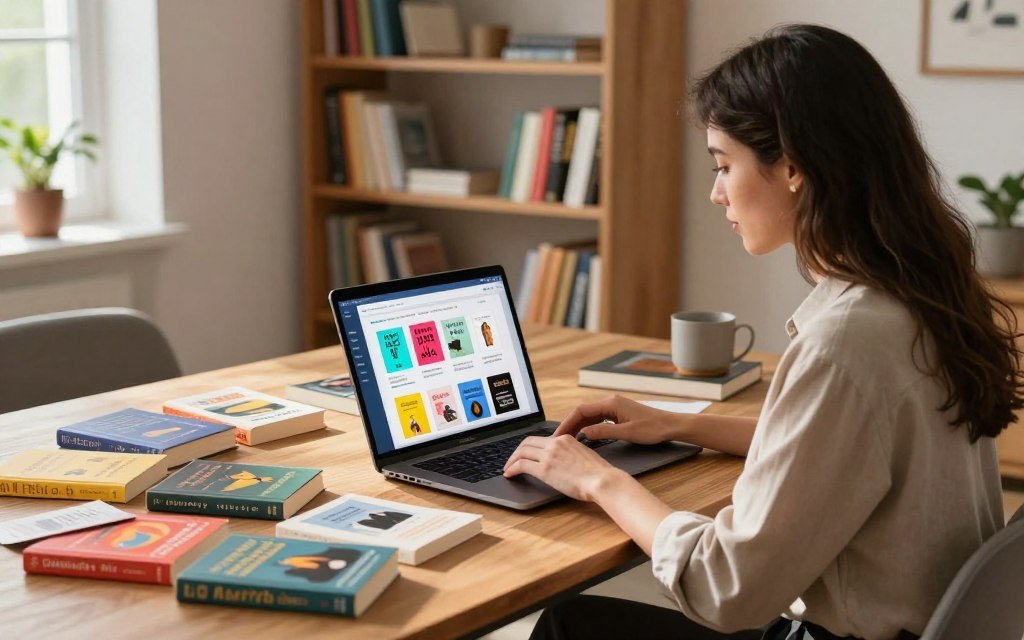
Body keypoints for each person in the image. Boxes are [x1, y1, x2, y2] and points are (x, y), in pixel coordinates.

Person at [503, 24, 1020, 640]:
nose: (717, 193)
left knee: (568, 624)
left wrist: (597, 478)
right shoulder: (921, 294)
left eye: (725, 165)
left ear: (794, 166)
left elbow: (726, 589)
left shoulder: (846, 340)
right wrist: (678, 424)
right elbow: (841, 449)